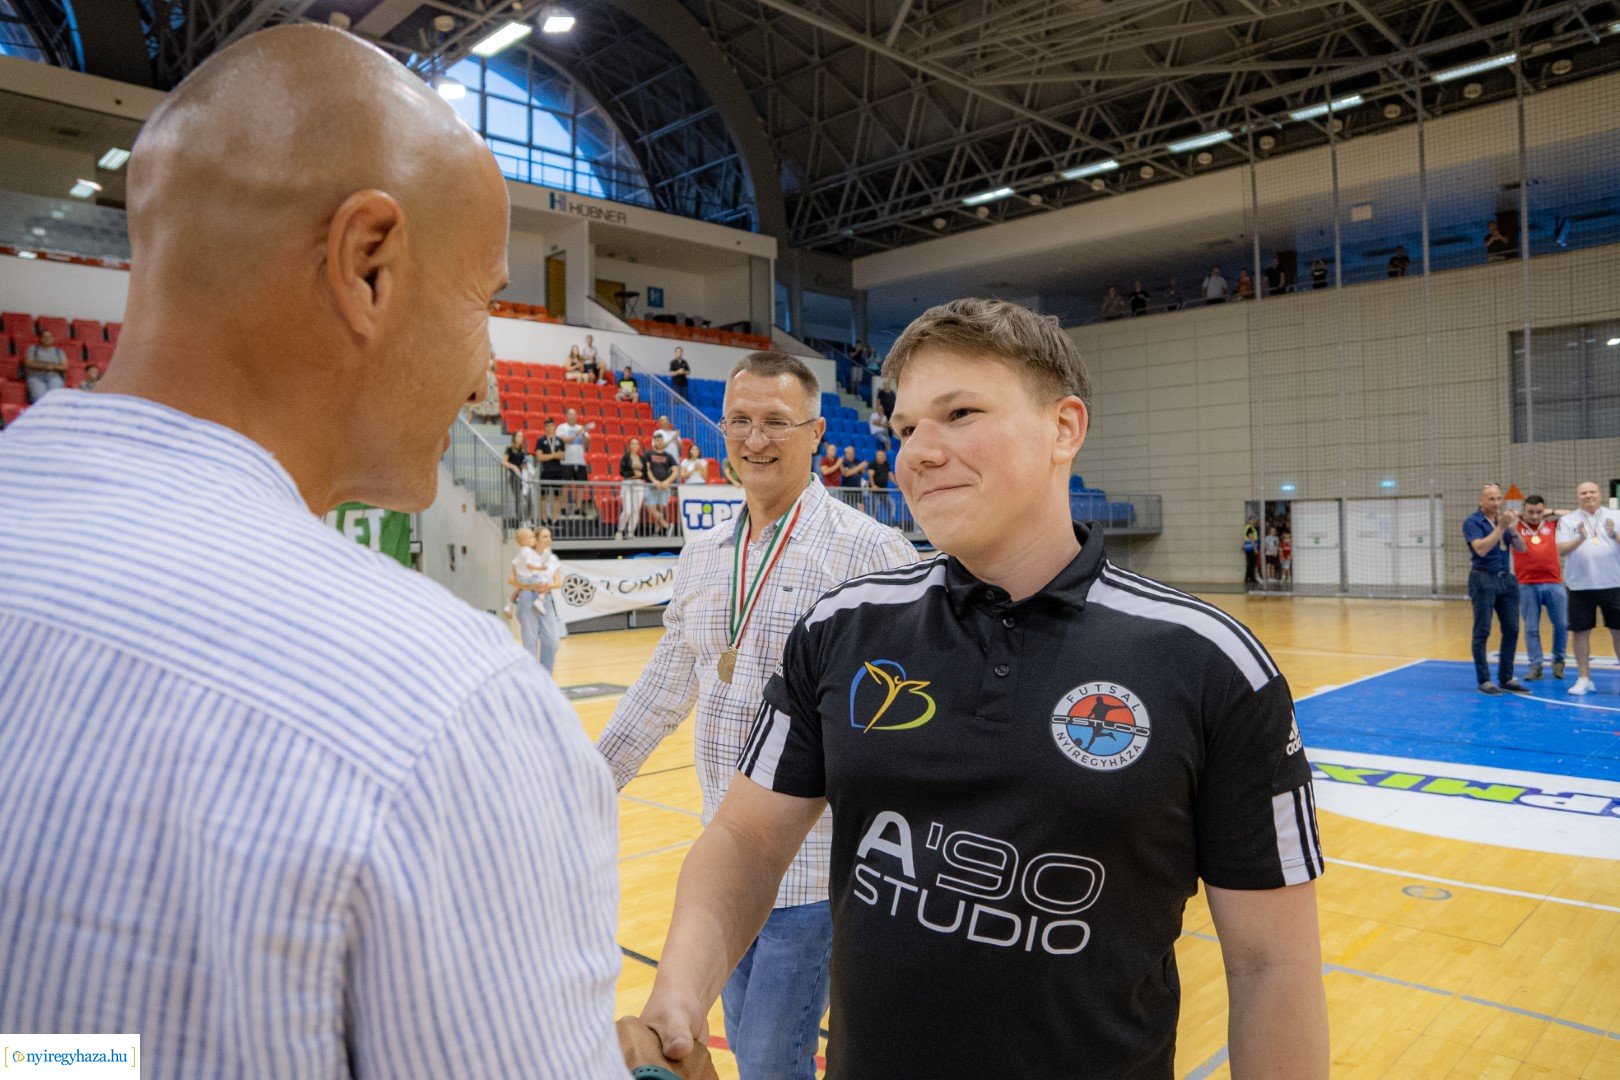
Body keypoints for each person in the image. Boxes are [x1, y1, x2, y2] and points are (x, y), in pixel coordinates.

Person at [0, 24, 696, 1080]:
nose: (489, 383)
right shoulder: (449, 713)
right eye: (482, 303)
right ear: (367, 265)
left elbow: (51, 1052)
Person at [630, 299, 1329, 1080]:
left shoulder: (1211, 664)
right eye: (903, 430)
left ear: (1065, 428)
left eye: (959, 413)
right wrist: (680, 996)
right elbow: (748, 842)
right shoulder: (844, 628)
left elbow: (1272, 965)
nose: (920, 452)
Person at [598, 350, 916, 1080]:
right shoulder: (706, 551)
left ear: (814, 435)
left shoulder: (871, 551)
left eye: (776, 421)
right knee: (746, 1048)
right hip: (724, 870)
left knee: (773, 1063)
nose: (755, 438)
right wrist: (586, 782)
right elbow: (662, 688)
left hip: (813, 878)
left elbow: (904, 721)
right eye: (740, 420)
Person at [1555, 481, 1620, 695]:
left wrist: (1615, 535)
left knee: (1618, 632)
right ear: (1577, 496)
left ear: (1600, 494)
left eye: (1592, 492)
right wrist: (1581, 537)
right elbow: (1561, 550)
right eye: (1583, 493)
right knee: (1580, 632)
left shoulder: (1616, 516)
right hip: (1579, 586)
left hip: (1614, 583)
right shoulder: (1567, 520)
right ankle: (1584, 678)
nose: (1588, 496)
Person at [1464, 484, 1529, 695]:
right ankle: (1484, 680)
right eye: (1491, 499)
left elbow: (1522, 549)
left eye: (1499, 498)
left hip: (1507, 580)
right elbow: (1481, 549)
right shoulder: (1472, 522)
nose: (1496, 503)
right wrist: (1500, 528)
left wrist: (1512, 529)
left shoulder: (1504, 522)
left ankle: (1506, 677)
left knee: (1512, 629)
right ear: (1481, 500)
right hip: (1483, 578)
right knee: (1482, 630)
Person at [1514, 495, 1567, 681]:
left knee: (1562, 624)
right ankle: (1535, 666)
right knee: (1531, 628)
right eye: (1530, 512)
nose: (1535, 516)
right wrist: (1521, 515)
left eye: (1538, 512)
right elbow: (1504, 519)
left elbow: (1574, 515)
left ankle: (1559, 662)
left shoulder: (1552, 525)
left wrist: (1550, 512)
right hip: (1527, 585)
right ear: (1523, 511)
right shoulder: (1516, 527)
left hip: (1554, 583)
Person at [507, 526, 564, 672]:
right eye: (544, 537)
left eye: (550, 536)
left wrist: (548, 585)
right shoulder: (525, 556)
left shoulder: (552, 558)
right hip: (527, 597)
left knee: (552, 642)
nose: (548, 539)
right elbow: (511, 579)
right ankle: (533, 680)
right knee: (530, 643)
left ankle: (545, 676)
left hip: (546, 599)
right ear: (536, 540)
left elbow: (558, 582)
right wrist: (530, 586)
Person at [557, 406, 594, 515]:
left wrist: (583, 433)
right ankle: (563, 508)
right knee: (565, 485)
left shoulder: (580, 428)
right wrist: (577, 433)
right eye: (570, 414)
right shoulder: (561, 428)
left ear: (577, 416)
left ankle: (578, 508)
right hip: (566, 461)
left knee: (580, 485)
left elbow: (587, 442)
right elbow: (565, 440)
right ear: (566, 416)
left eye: (574, 415)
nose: (572, 417)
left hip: (580, 461)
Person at [645, 431, 678, 536]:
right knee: (651, 508)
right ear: (654, 442)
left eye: (660, 440)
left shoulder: (669, 456)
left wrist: (667, 482)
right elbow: (647, 469)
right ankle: (667, 526)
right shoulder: (648, 454)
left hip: (664, 486)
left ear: (663, 442)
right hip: (651, 486)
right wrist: (654, 481)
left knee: (661, 509)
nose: (659, 442)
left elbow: (675, 470)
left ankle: (658, 531)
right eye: (657, 441)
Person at [22, 327, 67, 402]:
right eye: (45, 337)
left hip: (54, 377)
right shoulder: (33, 349)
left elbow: (64, 366)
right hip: (35, 377)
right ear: (40, 338)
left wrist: (42, 365)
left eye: (49, 337)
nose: (47, 338)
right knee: (39, 398)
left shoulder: (58, 351)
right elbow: (29, 363)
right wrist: (49, 366)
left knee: (55, 398)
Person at [534, 417, 566, 522]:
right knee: (543, 496)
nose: (549, 428)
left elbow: (562, 456)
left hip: (557, 471)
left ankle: (555, 519)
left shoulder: (560, 440)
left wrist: (549, 455)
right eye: (546, 426)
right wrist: (554, 455)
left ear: (554, 426)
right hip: (545, 471)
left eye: (551, 426)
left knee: (557, 496)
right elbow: (539, 457)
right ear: (544, 427)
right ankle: (543, 518)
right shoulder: (541, 440)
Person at [617, 436, 648, 540]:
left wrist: (640, 475)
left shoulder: (642, 458)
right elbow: (622, 472)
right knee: (627, 510)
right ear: (629, 445)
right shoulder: (625, 457)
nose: (634, 446)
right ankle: (620, 530)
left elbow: (645, 473)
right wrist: (633, 473)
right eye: (632, 443)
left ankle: (630, 532)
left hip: (639, 485)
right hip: (627, 484)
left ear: (639, 446)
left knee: (636, 510)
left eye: (636, 444)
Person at [503, 428, 530, 527]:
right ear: (514, 438)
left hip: (523, 477)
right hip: (514, 477)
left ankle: (526, 518)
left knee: (528, 497)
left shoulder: (522, 451)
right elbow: (504, 462)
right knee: (518, 499)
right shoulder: (509, 449)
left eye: (521, 436)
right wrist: (513, 467)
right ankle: (519, 520)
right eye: (518, 436)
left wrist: (525, 466)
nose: (520, 438)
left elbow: (523, 464)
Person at [866, 447, 894, 523]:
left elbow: (890, 474)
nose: (883, 457)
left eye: (884, 456)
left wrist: (897, 484)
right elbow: (870, 475)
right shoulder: (872, 464)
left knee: (891, 504)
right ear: (877, 456)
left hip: (884, 490)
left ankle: (892, 523)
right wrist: (873, 485)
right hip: (875, 491)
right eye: (881, 455)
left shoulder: (886, 463)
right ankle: (873, 524)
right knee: (875, 507)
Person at [469, 355, 501, 420]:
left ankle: (488, 417)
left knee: (490, 396)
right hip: (485, 377)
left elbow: (495, 369)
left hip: (490, 379)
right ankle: (471, 418)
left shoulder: (493, 359)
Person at [1243, 516, 1260, 583]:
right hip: (1251, 548)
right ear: (1249, 520)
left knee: (1252, 563)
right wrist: (1255, 548)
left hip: (1250, 547)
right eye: (1253, 520)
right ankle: (1247, 578)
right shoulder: (1249, 528)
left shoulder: (1251, 528)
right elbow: (1251, 538)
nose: (1254, 521)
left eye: (1255, 520)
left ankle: (1252, 577)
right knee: (1251, 563)